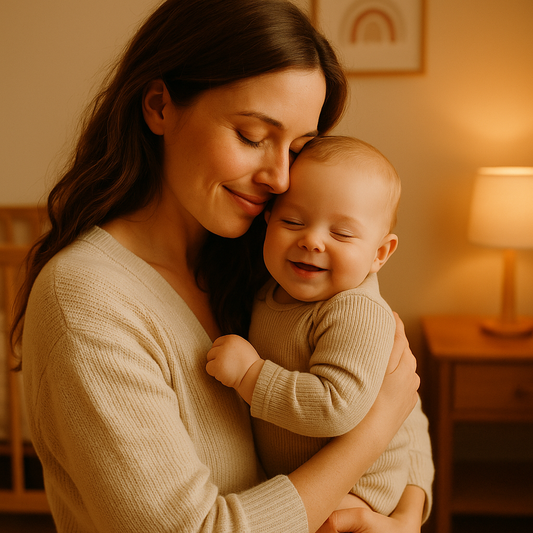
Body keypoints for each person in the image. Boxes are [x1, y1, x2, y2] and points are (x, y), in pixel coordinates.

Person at [12, 1, 423, 532]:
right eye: (253, 137)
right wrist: (365, 438)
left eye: (298, 148)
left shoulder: (275, 260)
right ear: (160, 105)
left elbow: (396, 387)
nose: (279, 178)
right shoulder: (86, 300)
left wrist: (408, 515)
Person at [207, 135, 434, 522]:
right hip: (303, 485)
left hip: (356, 493)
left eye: (341, 234)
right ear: (267, 221)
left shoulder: (354, 310)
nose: (311, 241)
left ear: (380, 253)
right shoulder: (270, 290)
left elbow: (336, 406)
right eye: (292, 222)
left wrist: (251, 375)